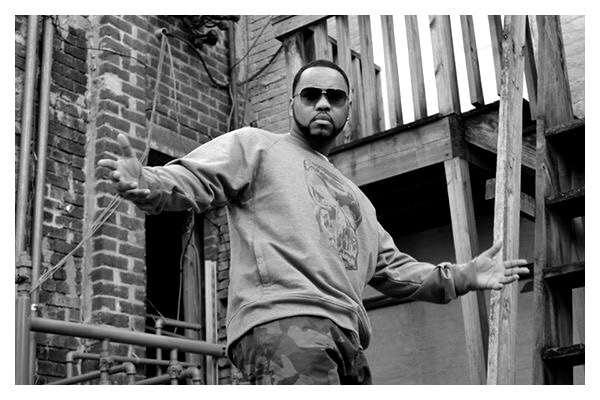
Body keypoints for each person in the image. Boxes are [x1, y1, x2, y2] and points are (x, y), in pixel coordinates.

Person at [98, 59, 529, 385]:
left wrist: (464, 275)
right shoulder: (257, 147)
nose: (323, 103)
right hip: (284, 323)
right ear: (293, 104)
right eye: (311, 95)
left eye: (335, 97)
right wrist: (147, 183)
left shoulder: (359, 202)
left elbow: (395, 270)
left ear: (347, 110)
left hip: (349, 339)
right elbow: (198, 179)